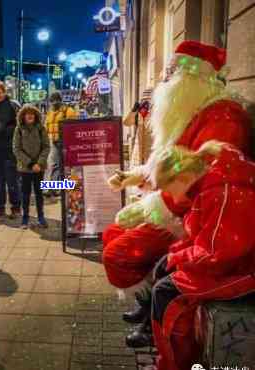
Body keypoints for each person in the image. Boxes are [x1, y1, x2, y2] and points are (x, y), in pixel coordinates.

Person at [101, 40, 253, 347]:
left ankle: (153, 315)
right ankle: (147, 306)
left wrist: (146, 210)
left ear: (194, 79)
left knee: (119, 252)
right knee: (113, 235)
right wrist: (136, 177)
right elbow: (173, 163)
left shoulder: (222, 118)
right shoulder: (192, 111)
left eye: (172, 74)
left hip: (190, 216)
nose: (164, 82)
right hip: (185, 210)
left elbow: (192, 181)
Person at [147, 141, 255, 370]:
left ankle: (175, 364)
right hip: (235, 263)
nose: (172, 198)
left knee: (165, 296)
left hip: (242, 271)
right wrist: (175, 255)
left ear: (183, 178)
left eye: (169, 190)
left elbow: (217, 254)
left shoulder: (222, 193)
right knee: (164, 274)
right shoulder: (212, 184)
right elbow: (204, 236)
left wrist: (177, 258)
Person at [0, 81, 21, 219]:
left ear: (4, 92)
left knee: (12, 181)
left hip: (10, 151)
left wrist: (6, 131)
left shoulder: (13, 105)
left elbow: (20, 126)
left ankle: (16, 207)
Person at [13, 104, 50, 229]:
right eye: (27, 113)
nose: (29, 115)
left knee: (39, 193)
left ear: (36, 115)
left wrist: (39, 163)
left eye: (32, 113)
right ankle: (25, 218)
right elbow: (16, 149)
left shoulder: (41, 128)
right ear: (22, 116)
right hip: (25, 168)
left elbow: (46, 146)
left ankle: (41, 216)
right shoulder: (18, 129)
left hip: (39, 168)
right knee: (25, 193)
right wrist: (30, 163)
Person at [44, 91, 78, 197]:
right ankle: (53, 188)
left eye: (56, 100)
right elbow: (46, 126)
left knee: (62, 166)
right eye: (52, 101)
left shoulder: (69, 111)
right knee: (54, 165)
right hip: (52, 142)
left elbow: (73, 127)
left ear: (60, 100)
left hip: (64, 142)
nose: (54, 103)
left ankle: (56, 188)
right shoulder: (50, 113)